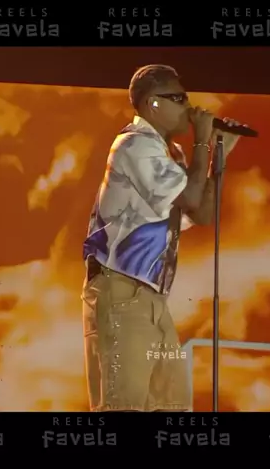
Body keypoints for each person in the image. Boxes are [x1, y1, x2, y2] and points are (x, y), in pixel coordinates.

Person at [82, 64, 241, 412]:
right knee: (124, 405)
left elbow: (202, 214)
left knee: (172, 404)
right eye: (179, 98)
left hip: (151, 300)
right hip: (122, 292)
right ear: (153, 104)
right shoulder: (134, 145)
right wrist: (202, 140)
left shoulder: (171, 155)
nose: (189, 106)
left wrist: (218, 156)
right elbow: (192, 198)